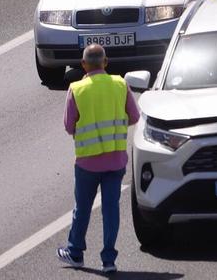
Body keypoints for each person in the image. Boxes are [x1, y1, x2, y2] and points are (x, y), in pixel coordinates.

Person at [57, 44, 140, 274]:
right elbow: (134, 116)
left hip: (88, 163)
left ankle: (75, 252)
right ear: (106, 62)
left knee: (82, 208)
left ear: (83, 64)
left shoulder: (77, 89)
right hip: (115, 160)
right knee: (111, 210)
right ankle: (109, 260)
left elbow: (69, 126)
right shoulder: (120, 84)